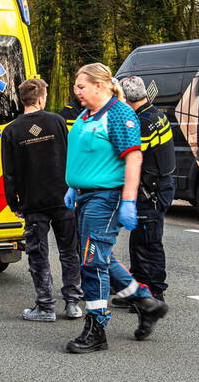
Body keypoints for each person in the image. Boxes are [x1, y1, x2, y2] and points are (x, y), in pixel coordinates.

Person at [63, 63, 169, 354]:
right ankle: (146, 302)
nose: (76, 91)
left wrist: (129, 201)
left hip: (105, 198)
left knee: (92, 261)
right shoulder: (87, 115)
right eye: (76, 86)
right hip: (86, 196)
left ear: (100, 85)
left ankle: (96, 329)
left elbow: (134, 158)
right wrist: (74, 184)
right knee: (98, 256)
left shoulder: (119, 113)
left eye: (81, 86)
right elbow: (86, 152)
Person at [0, 78, 83, 322]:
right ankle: (72, 303)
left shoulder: (12, 131)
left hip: (33, 201)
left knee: (38, 254)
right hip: (62, 197)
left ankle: (45, 306)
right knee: (69, 251)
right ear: (40, 98)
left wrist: (13, 203)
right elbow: (71, 156)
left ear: (22, 99)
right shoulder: (57, 122)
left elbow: (9, 172)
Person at [119, 75, 175, 306]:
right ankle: (138, 290)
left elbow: (133, 157)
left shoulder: (141, 123)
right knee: (140, 241)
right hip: (159, 186)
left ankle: (154, 293)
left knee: (149, 243)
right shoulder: (156, 114)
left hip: (151, 191)